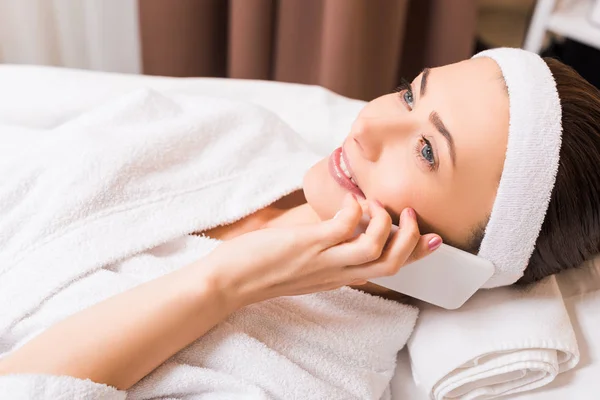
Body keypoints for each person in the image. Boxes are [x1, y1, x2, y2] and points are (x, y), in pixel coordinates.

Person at [0, 48, 598, 397]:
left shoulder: (308, 380)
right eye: (410, 96)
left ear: (458, 261)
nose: (366, 127)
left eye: (426, 152)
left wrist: (223, 282)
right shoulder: (237, 132)